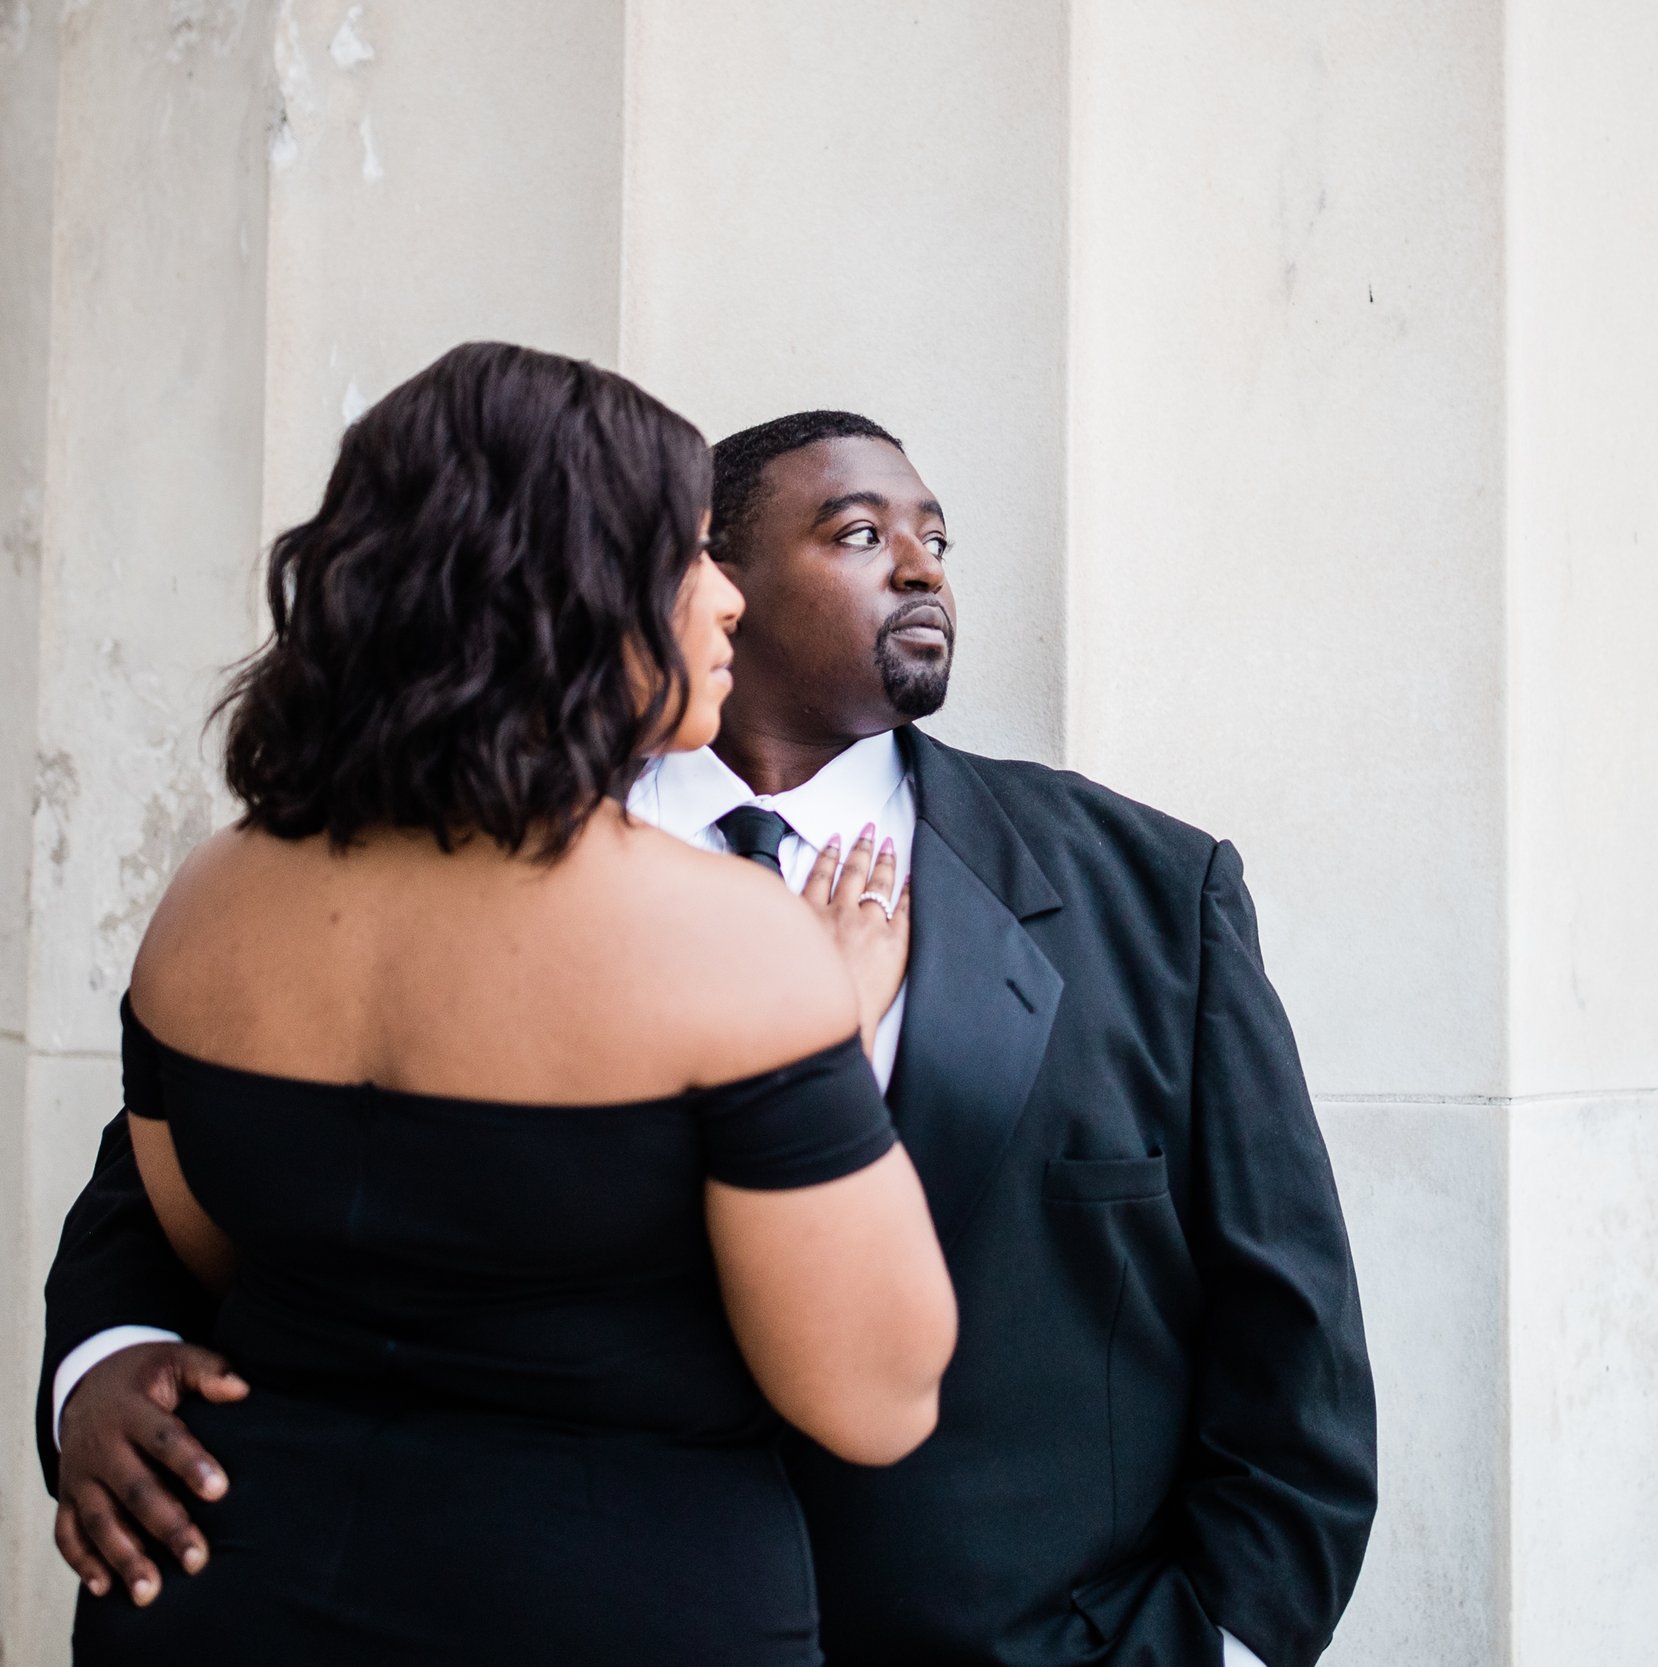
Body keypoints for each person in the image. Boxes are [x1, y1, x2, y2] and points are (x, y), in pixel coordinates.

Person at [43, 406, 1377, 1667]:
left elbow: (1290, 1329)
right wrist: (100, 1371)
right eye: (858, 534)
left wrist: (1227, 1642)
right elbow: (197, 1176)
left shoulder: (1151, 889)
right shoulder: (428, 869)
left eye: (935, 537)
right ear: (695, 572)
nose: (919, 567)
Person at [47, 345, 958, 1664]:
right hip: (609, 1608)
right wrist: (826, 1019)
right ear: (564, 596)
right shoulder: (733, 945)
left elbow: (213, 1248)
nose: (725, 602)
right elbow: (874, 1394)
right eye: (687, 554)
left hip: (228, 1595)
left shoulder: (210, 897)